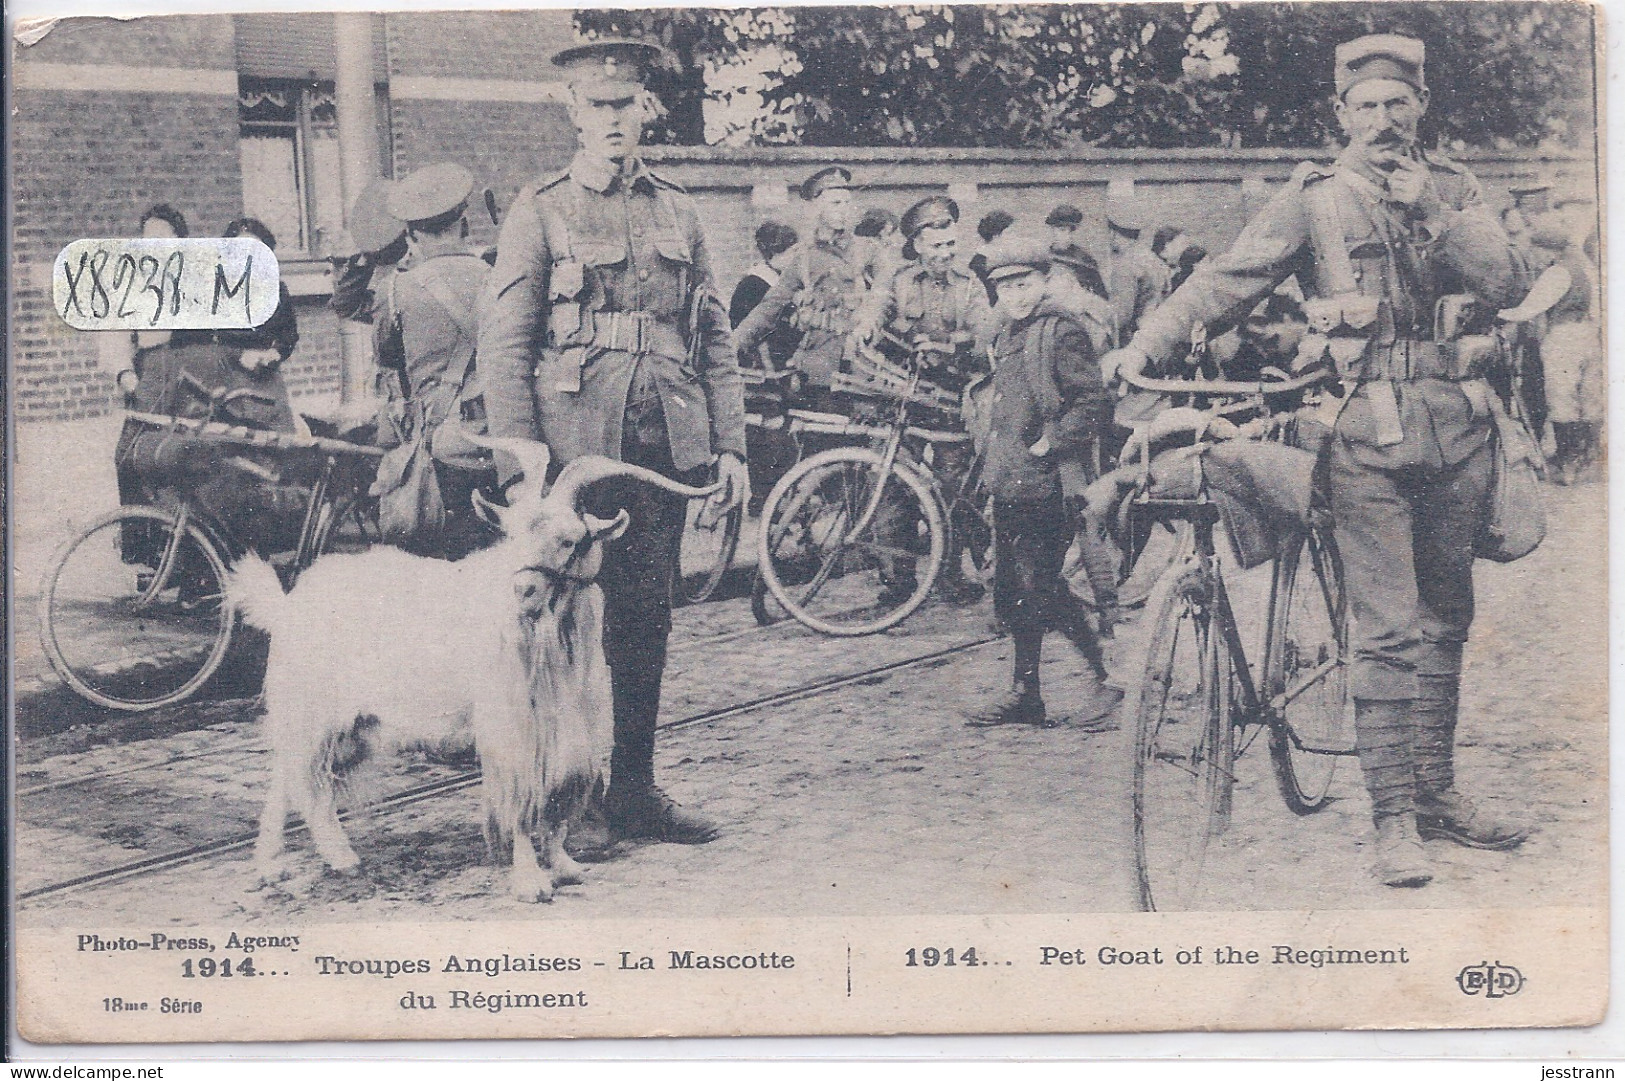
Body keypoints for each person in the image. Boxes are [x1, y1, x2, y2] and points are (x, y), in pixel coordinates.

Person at [1105, 34, 1530, 887]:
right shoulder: (1314, 200)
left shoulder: (1454, 188)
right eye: (1364, 106)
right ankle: (1393, 822)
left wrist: (1436, 219)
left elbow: (1512, 285)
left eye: (1396, 104)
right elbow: (1224, 283)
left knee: (1446, 616)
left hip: (1456, 433)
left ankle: (1438, 791)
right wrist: (1143, 344)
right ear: (1340, 114)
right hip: (1363, 438)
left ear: (1420, 109)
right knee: (1384, 628)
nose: (1381, 120)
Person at [478, 37, 748, 845]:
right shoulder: (542, 208)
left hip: (662, 450)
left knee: (645, 623)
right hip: (574, 459)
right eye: (596, 107)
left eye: (624, 105)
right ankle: (567, 797)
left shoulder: (680, 210)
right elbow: (506, 348)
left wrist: (729, 445)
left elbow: (715, 336)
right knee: (563, 631)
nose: (612, 120)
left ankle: (632, 787)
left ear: (644, 108)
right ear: (571, 110)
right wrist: (523, 474)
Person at [967, 235, 1119, 729]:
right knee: (1016, 591)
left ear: (1044, 280)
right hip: (1011, 480)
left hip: (1051, 481)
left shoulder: (1060, 331)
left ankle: (1102, 675)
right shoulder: (1005, 333)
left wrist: (1049, 444)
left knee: (1040, 586)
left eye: (1024, 283)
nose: (1015, 294)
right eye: (1005, 287)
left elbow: (1091, 402)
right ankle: (1028, 693)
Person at [862, 194, 993, 606]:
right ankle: (897, 579)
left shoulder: (970, 286)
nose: (946, 254)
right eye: (937, 246)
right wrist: (864, 325)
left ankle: (948, 577)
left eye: (951, 245)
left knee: (953, 493)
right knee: (891, 489)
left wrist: (950, 345)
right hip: (902, 398)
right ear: (917, 245)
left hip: (952, 403)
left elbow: (986, 336)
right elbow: (876, 304)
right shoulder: (898, 279)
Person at [370, 162, 498, 558]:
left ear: (410, 236)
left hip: (440, 447)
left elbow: (386, 358)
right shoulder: (498, 277)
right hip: (502, 442)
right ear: (464, 225)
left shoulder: (395, 290)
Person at [735, 166, 864, 412]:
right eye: (836, 203)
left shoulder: (867, 250)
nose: (845, 210)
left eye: (848, 202)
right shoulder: (804, 258)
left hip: (858, 369)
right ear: (816, 207)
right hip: (817, 371)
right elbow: (769, 308)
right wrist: (730, 346)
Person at [1530, 194, 1602, 484]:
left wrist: (1502, 314)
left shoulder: (1557, 272)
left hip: (1563, 338)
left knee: (1561, 397)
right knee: (1590, 397)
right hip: (1588, 334)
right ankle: (1589, 457)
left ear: (1547, 249)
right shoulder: (1585, 267)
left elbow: (1531, 308)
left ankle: (1567, 461)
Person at [217, 217, 299, 367]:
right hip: (223, 373)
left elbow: (288, 336)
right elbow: (202, 342)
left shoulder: (277, 290)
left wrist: (275, 353)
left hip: (264, 374)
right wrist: (239, 356)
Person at [728, 220, 801, 369]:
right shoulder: (753, 285)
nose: (798, 258)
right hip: (761, 362)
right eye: (793, 252)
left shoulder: (783, 279)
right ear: (774, 253)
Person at [1045, 203, 1108, 299]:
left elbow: (1100, 296)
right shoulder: (1044, 256)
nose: (1067, 236)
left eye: (1071, 231)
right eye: (1062, 230)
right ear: (1052, 230)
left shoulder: (1085, 259)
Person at [969, 209, 1015, 303]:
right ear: (996, 235)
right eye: (1009, 233)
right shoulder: (981, 261)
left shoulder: (998, 257)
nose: (1013, 237)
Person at [855, 207, 904, 289]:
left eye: (890, 234)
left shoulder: (887, 248)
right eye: (886, 234)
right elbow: (860, 271)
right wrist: (874, 285)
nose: (889, 239)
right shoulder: (870, 246)